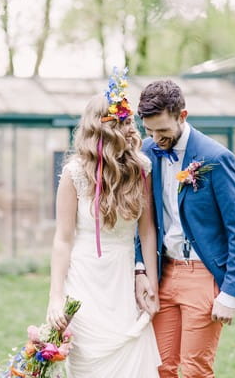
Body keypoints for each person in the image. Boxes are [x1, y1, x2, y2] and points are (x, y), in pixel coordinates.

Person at [134, 80, 235, 378]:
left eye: (163, 130)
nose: (155, 138)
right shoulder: (147, 152)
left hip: (202, 275)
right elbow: (143, 220)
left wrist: (231, 293)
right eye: (149, 131)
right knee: (161, 367)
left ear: (182, 116)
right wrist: (140, 269)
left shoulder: (216, 158)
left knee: (194, 371)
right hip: (162, 272)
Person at [46, 68, 161, 377]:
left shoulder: (142, 169)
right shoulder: (74, 174)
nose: (130, 128)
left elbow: (147, 231)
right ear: (102, 128)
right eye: (122, 122)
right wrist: (56, 296)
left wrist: (150, 280)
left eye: (129, 121)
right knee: (88, 363)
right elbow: (63, 238)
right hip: (84, 280)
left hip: (122, 280)